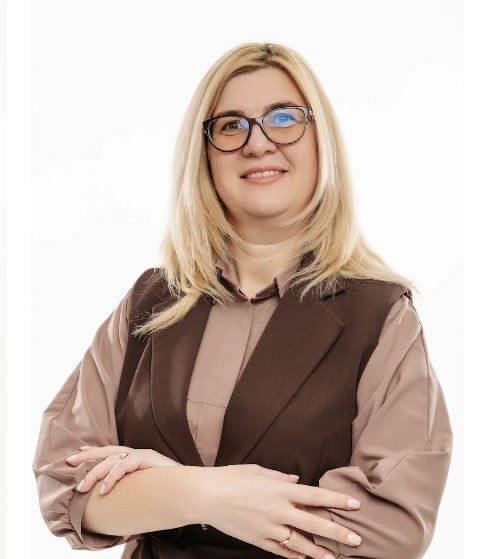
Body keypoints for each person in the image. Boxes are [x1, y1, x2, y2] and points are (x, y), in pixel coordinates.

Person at [32, 42, 453, 559]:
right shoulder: (149, 302)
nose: (257, 143)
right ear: (205, 154)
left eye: (283, 118)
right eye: (231, 125)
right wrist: (202, 495)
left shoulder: (380, 315)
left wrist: (154, 493)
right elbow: (63, 485)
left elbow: (394, 522)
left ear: (321, 140)